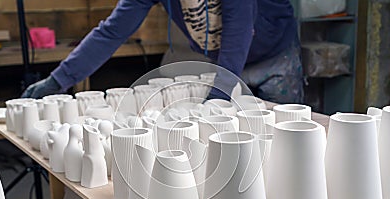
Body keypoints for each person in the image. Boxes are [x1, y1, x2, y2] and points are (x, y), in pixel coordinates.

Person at [22, 0, 303, 103]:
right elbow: (112, 31)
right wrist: (59, 79)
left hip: (274, 56)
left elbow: (239, 28)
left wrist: (220, 92)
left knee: (281, 143)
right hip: (225, 60)